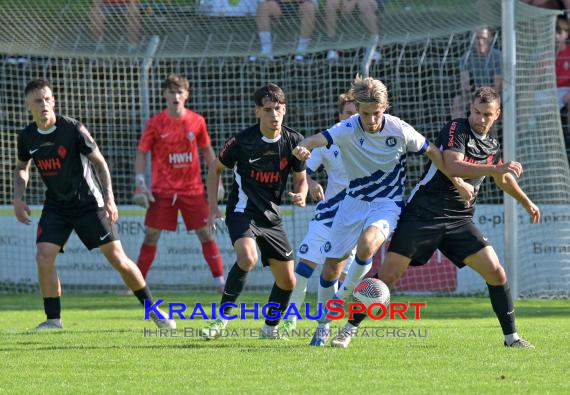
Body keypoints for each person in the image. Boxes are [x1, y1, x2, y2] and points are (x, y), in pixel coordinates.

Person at [332, 87, 540, 349]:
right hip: (424, 212)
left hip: (459, 219)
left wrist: (526, 201)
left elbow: (502, 177)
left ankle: (513, 339)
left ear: (497, 114)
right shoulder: (458, 129)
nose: (480, 118)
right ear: (470, 109)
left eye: (487, 114)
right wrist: (495, 167)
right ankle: (347, 329)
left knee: (496, 272)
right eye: (476, 111)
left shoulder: (492, 145)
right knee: (388, 276)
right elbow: (453, 164)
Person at [292, 75, 473, 346]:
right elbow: (315, 140)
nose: (372, 119)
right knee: (330, 270)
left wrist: (458, 182)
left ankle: (346, 294)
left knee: (367, 245)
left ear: (385, 106)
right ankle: (322, 326)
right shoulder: (348, 128)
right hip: (352, 202)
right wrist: (303, 148)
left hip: (387, 203)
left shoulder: (399, 130)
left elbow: (433, 152)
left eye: (376, 113)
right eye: (366, 114)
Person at [14, 79, 175, 330]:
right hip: (57, 206)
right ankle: (53, 320)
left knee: (118, 259)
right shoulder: (27, 137)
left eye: (47, 99)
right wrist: (18, 197)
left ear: (54, 101)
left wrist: (109, 199)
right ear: (28, 106)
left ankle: (154, 312)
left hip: (89, 203)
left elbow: (100, 164)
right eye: (38, 100)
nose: (44, 104)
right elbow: (22, 168)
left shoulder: (73, 129)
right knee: (43, 257)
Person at [200, 83, 308, 339]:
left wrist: (300, 194)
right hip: (242, 211)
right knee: (247, 258)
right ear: (257, 112)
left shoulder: (294, 141)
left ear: (285, 110)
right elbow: (215, 169)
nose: (274, 115)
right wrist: (213, 208)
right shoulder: (242, 141)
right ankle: (220, 321)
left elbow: (301, 178)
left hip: (271, 217)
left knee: (288, 282)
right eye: (268, 110)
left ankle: (269, 329)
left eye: (278, 109)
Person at [133, 74, 225, 293]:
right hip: (162, 191)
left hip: (192, 189)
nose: (176, 95)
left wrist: (217, 180)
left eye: (179, 91)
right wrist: (140, 184)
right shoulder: (155, 123)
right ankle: (136, 284)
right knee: (151, 234)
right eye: (172, 91)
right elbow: (141, 152)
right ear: (164, 94)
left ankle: (221, 282)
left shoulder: (197, 121)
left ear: (186, 95)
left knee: (205, 232)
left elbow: (207, 151)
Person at [282, 91, 358, 332]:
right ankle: (289, 320)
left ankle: (326, 325)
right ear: (340, 115)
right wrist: (312, 185)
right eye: (348, 113)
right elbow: (305, 170)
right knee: (304, 268)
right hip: (328, 214)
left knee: (343, 278)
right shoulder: (328, 139)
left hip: (356, 217)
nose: (352, 118)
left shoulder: (372, 141)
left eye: (357, 114)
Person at [452, 28, 501, 119]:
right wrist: (474, 92)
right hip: (473, 94)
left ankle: (490, 133)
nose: (480, 42)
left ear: (490, 39)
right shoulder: (466, 58)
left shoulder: (498, 57)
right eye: (478, 38)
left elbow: (497, 87)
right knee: (457, 101)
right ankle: (457, 131)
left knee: (488, 104)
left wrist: (482, 94)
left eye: (484, 38)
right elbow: (465, 85)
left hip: (493, 94)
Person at [251, 0, 318, 61]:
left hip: (302, 3)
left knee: (309, 8)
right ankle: (266, 51)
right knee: (263, 8)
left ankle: (301, 52)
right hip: (279, 3)